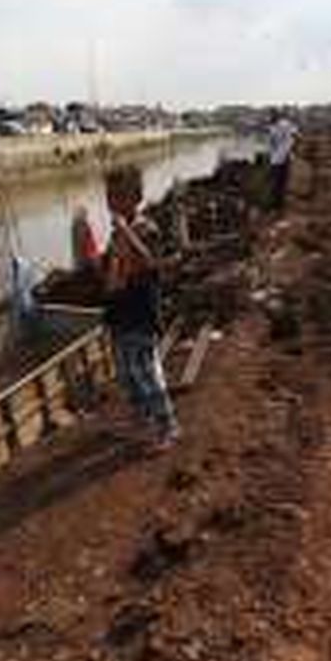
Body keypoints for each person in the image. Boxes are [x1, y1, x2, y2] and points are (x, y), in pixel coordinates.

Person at [102, 165, 179, 450]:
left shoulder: (147, 228)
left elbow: (151, 263)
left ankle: (167, 427)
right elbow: (113, 271)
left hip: (142, 313)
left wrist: (126, 233)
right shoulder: (115, 234)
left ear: (135, 197)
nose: (111, 203)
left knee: (147, 372)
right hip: (120, 313)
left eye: (117, 197)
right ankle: (142, 418)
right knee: (127, 375)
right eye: (108, 197)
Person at [267, 111, 299, 211]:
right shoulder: (285, 125)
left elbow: (272, 144)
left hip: (279, 159)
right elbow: (296, 134)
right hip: (283, 157)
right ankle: (278, 204)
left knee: (277, 183)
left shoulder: (277, 127)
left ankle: (277, 205)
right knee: (280, 182)